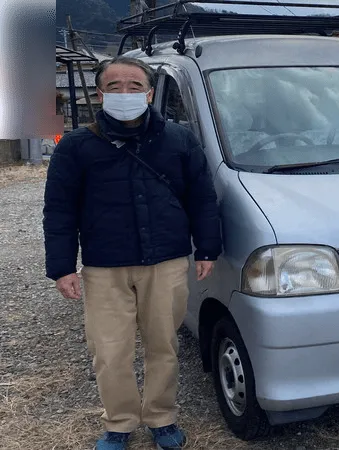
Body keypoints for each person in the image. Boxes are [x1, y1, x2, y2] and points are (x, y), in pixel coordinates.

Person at [43, 56, 222, 450]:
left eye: (135, 86)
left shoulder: (179, 139)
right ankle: (119, 423)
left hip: (167, 262)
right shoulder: (76, 146)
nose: (126, 94)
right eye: (115, 86)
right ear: (99, 93)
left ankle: (162, 418)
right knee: (109, 351)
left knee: (163, 345)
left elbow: (202, 196)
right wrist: (61, 267)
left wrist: (207, 247)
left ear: (150, 93)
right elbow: (59, 209)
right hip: (105, 267)